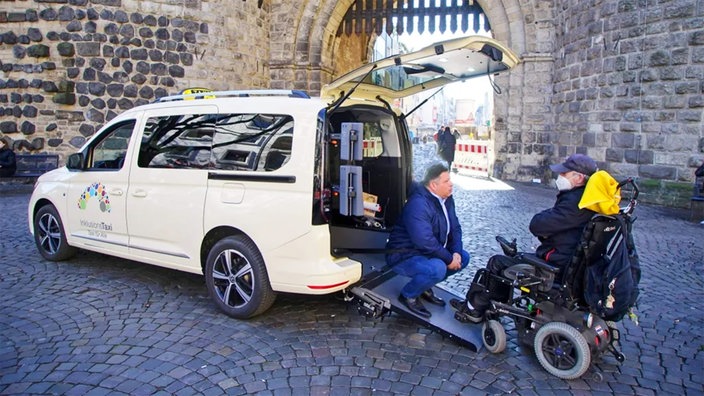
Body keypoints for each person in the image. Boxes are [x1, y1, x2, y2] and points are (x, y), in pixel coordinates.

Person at [451, 153, 598, 322]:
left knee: (497, 263)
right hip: (566, 261)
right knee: (514, 258)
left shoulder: (574, 202)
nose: (560, 177)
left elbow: (537, 224)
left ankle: (473, 309)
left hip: (554, 268)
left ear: (579, 178)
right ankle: (489, 305)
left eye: (564, 174)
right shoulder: (591, 201)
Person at [386, 163, 470, 318]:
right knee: (438, 268)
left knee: (463, 257)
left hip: (426, 253)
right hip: (404, 255)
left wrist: (456, 252)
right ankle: (408, 295)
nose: (451, 184)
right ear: (433, 185)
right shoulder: (418, 204)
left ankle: (424, 286)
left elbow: (455, 228)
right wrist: (448, 258)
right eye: (446, 181)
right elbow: (424, 241)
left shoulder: (447, 199)